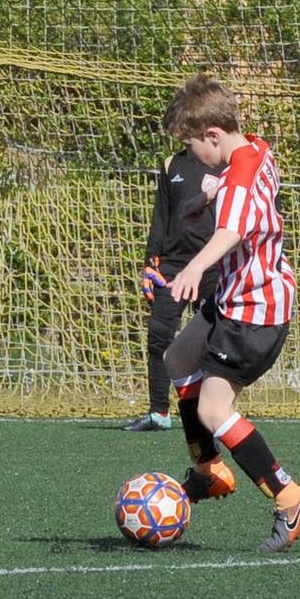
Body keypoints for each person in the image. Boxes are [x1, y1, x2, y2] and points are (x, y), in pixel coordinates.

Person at [162, 73, 300, 552]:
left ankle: (291, 498)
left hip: (253, 312)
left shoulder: (237, 179)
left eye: (193, 149)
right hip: (236, 296)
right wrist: (210, 192)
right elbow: (246, 186)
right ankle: (208, 470)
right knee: (178, 361)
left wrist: (193, 267)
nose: (193, 159)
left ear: (213, 134)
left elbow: (232, 228)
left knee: (213, 409)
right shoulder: (252, 147)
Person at [123, 148, 221, 432]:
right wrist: (150, 261)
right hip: (172, 267)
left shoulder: (226, 162)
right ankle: (158, 413)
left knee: (212, 338)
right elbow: (161, 217)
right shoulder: (171, 163)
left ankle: (211, 412)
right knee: (158, 333)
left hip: (212, 265)